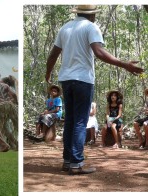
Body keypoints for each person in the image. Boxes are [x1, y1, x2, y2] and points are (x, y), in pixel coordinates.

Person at [45, 5, 144, 175]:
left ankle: (67, 161)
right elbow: (99, 52)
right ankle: (76, 163)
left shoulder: (65, 27)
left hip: (66, 80)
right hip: (83, 80)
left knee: (70, 120)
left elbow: (53, 54)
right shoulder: (90, 27)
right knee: (79, 122)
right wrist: (124, 64)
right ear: (92, 15)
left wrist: (47, 73)